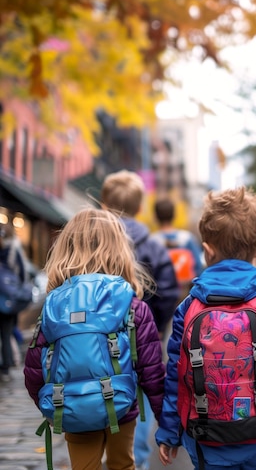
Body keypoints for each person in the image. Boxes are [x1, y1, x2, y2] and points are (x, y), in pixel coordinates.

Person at [156, 186, 256, 470]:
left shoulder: (188, 308)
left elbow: (175, 378)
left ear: (206, 251)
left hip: (205, 432)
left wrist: (169, 432)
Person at [23, 208, 166, 470]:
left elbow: (34, 368)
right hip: (122, 409)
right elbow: (152, 373)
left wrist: (52, 404)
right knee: (123, 464)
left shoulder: (54, 307)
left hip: (72, 406)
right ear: (120, 250)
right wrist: (167, 423)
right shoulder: (132, 306)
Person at [101, 170, 180, 470]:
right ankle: (136, 461)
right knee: (141, 394)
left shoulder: (94, 241)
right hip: (139, 338)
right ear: (139, 206)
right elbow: (168, 290)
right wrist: (156, 328)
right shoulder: (153, 245)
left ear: (104, 205)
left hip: (95, 337)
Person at [152, 197, 203, 301]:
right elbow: (198, 267)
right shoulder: (188, 239)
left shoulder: (152, 241)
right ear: (174, 215)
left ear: (156, 217)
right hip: (186, 294)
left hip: (161, 296)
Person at [0, 223, 28, 381]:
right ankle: (6, 367)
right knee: (6, 332)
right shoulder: (13, 251)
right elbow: (22, 275)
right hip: (8, 300)